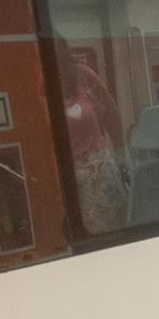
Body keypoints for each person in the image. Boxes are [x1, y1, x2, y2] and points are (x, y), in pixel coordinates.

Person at [55, 39, 128, 234]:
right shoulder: (35, 85)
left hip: (102, 170)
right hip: (68, 178)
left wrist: (121, 154)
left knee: (118, 233)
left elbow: (111, 112)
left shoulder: (82, 75)